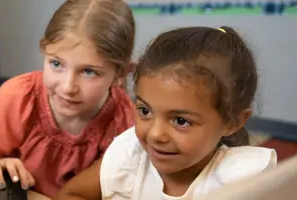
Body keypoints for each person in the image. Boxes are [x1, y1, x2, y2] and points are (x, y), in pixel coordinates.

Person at [54, 26, 277, 200]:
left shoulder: (243, 181)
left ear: (233, 121)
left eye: (180, 121)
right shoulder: (130, 155)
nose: (155, 134)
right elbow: (73, 194)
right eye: (144, 111)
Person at [0, 0, 135, 197]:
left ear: (121, 73)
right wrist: (0, 164)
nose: (68, 87)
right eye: (56, 64)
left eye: (88, 72)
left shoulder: (125, 124)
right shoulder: (16, 99)